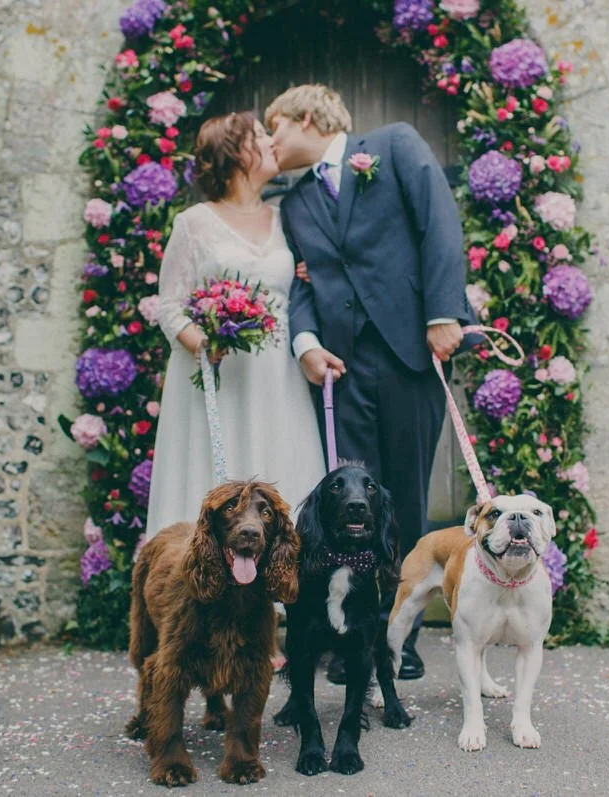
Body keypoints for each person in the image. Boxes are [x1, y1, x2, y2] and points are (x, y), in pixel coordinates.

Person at [266, 84, 474, 681]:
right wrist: (305, 344)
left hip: (410, 353)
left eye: (274, 126)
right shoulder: (296, 202)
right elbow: (300, 283)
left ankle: (398, 641)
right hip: (341, 370)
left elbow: (440, 225)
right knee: (351, 506)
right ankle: (354, 638)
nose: (270, 140)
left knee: (403, 498)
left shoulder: (393, 145)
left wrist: (443, 314)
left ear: (306, 117)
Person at [145, 112, 326, 536]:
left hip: (278, 380)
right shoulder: (194, 224)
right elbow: (169, 306)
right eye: (259, 136)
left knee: (280, 465)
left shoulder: (288, 218)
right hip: (218, 378)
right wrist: (201, 342)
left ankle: (281, 591)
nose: (270, 142)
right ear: (234, 153)